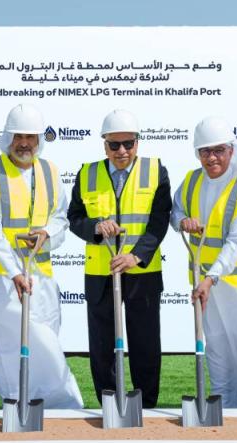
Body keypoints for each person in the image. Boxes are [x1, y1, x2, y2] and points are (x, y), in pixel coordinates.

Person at [0, 104, 82, 408]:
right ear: (8, 138)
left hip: (41, 276)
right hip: (0, 280)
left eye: (30, 137)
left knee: (47, 341)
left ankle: (56, 408)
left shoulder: (50, 171)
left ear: (39, 140)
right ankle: (17, 403)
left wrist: (47, 232)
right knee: (9, 347)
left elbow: (60, 217)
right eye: (18, 137)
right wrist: (15, 273)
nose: (24, 143)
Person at [170, 116, 237, 408]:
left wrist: (210, 278)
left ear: (231, 150)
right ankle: (223, 411)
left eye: (219, 150)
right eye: (205, 151)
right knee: (218, 352)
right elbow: (175, 210)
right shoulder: (192, 181)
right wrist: (182, 221)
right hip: (208, 287)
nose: (212, 158)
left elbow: (235, 242)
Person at [67, 109, 172, 408]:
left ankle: (145, 405)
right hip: (100, 272)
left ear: (138, 143)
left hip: (142, 272)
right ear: (105, 145)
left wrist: (136, 256)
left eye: (128, 143)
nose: (122, 150)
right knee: (102, 345)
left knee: (145, 342)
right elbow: (74, 218)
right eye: (114, 144)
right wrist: (95, 228)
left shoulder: (155, 170)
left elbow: (159, 221)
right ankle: (110, 405)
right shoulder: (87, 173)